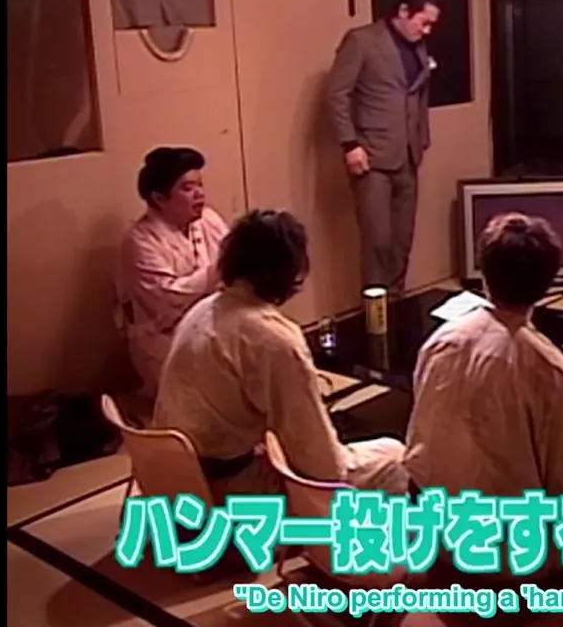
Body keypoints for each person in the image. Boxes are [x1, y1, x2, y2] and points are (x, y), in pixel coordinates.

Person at [404, 213, 563, 576]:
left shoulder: (442, 339)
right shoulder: (550, 370)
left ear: (484, 272)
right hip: (508, 550)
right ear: (547, 283)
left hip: (431, 525)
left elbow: (420, 436)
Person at [152, 209, 408, 500]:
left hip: (174, 478)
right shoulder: (274, 338)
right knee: (395, 456)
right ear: (290, 270)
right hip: (231, 489)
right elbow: (322, 465)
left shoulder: (201, 310)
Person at [325, 0, 444, 294]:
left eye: (431, 25)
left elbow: (417, 95)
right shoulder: (362, 41)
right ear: (403, 11)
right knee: (377, 242)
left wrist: (422, 138)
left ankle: (397, 302)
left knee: (402, 243)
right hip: (372, 156)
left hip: (408, 156)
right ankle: (376, 314)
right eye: (424, 22)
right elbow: (337, 94)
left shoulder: (418, 47)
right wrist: (350, 144)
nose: (427, 31)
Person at [117, 147, 229, 397]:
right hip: (165, 340)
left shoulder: (208, 219)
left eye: (200, 185)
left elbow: (236, 265)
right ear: (159, 198)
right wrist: (220, 271)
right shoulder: (140, 240)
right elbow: (168, 297)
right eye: (187, 188)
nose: (200, 194)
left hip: (215, 325)